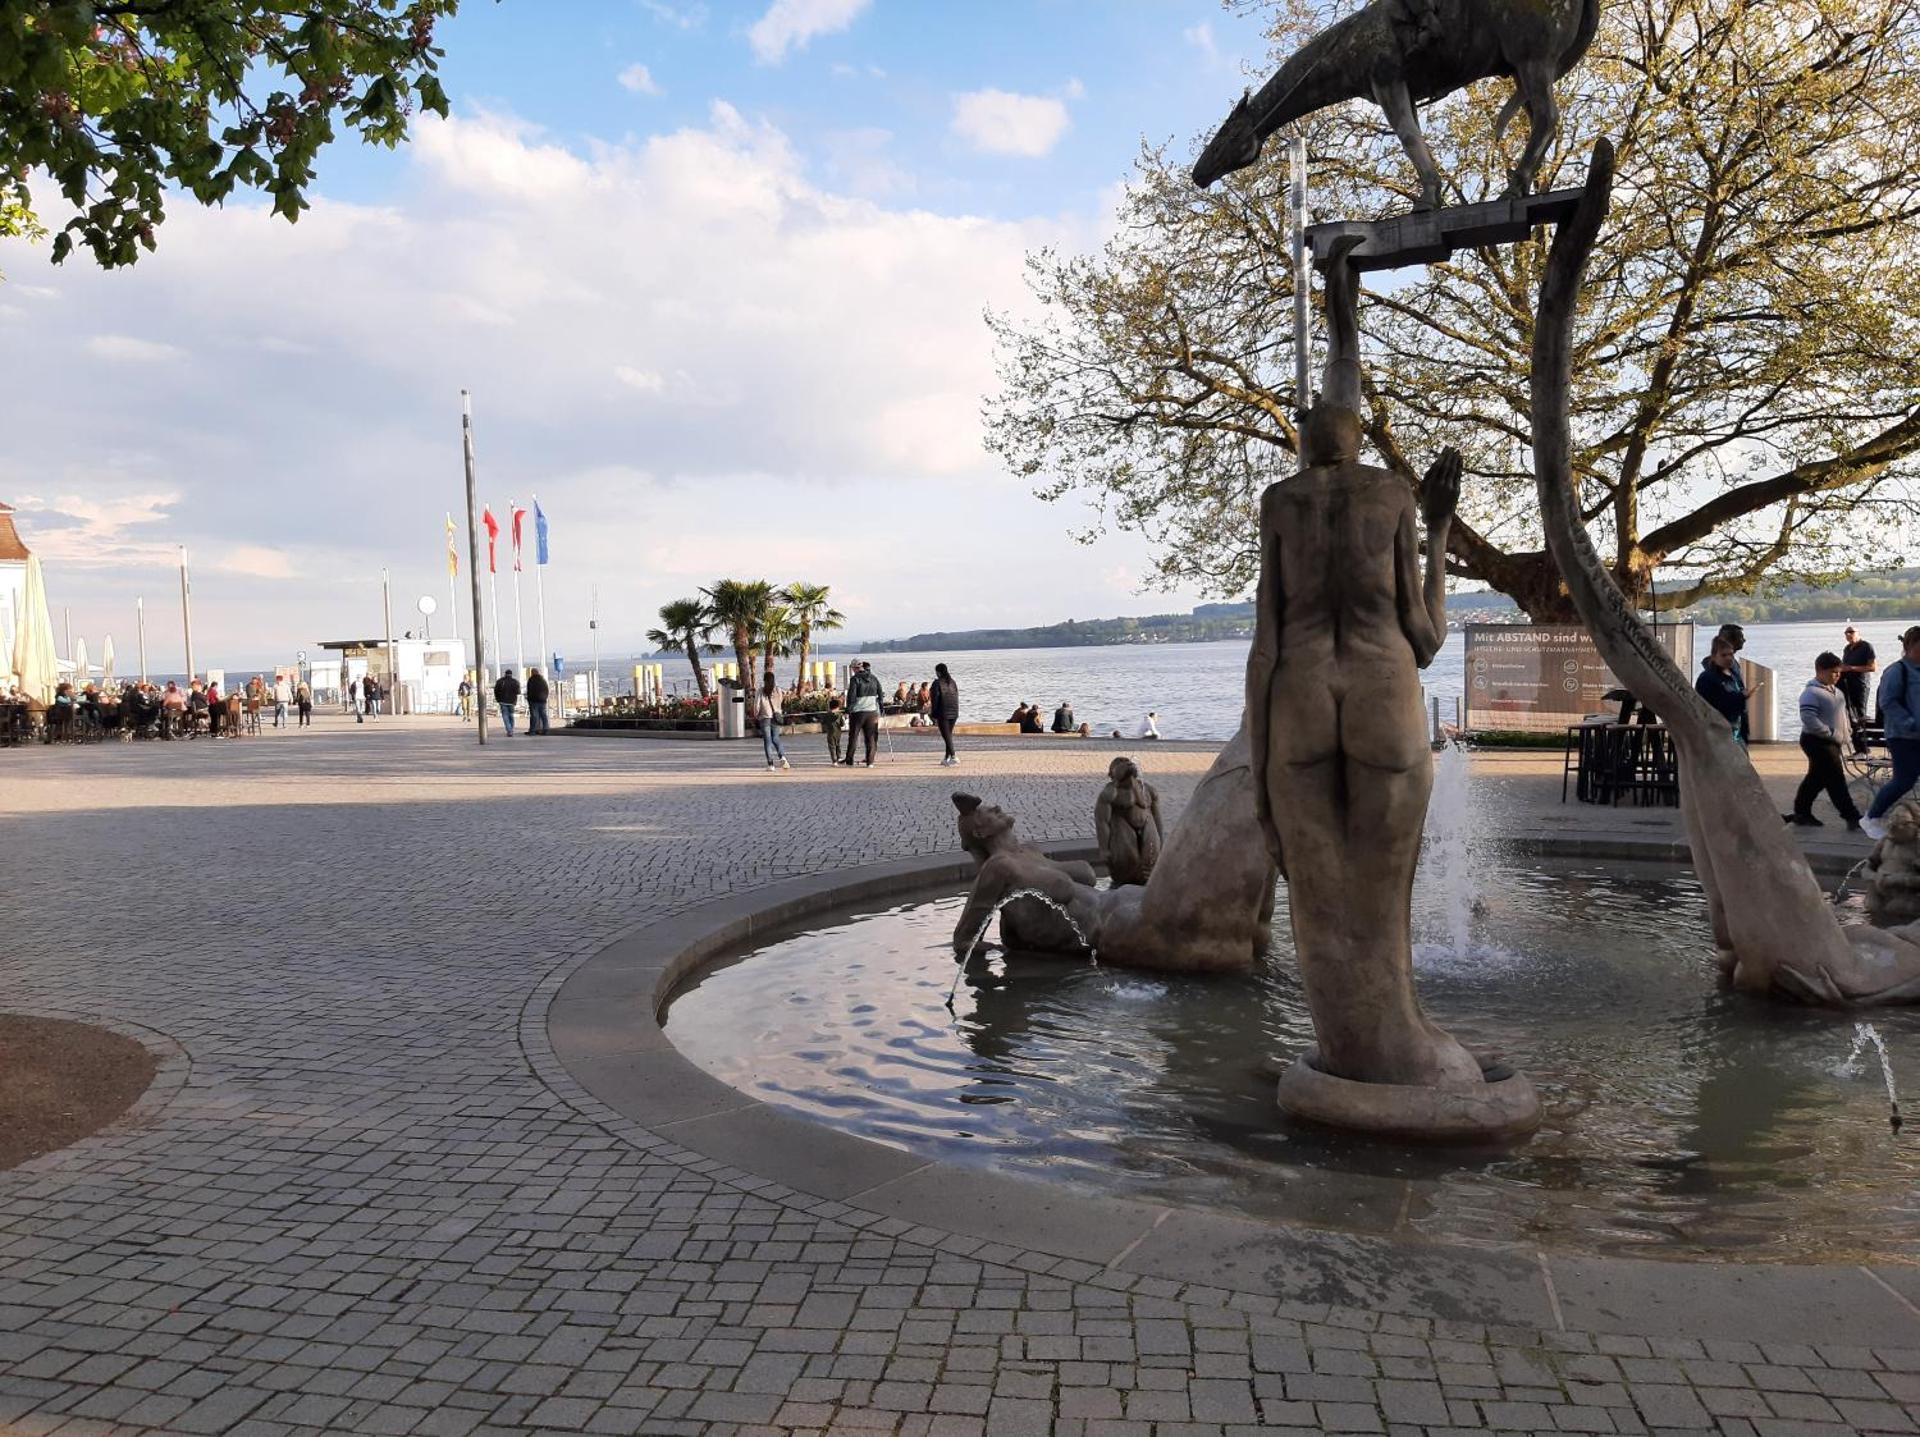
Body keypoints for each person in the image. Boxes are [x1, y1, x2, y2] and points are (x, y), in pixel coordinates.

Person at [1787, 652, 1862, 831]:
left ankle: (1801, 812)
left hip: (1832, 741)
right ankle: (1852, 816)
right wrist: (1832, 733)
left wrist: (1847, 733)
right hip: (1816, 741)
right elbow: (1809, 719)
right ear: (1820, 670)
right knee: (1835, 778)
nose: (1837, 675)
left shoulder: (1838, 692)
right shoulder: (1811, 693)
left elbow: (1842, 716)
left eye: (1838, 672)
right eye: (1832, 672)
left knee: (1817, 778)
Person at [1864, 626, 1920, 839]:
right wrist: (1909, 721)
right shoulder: (1897, 671)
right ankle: (1871, 817)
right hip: (1902, 735)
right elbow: (1887, 701)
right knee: (1904, 780)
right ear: (1909, 647)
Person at [1695, 637, 1746, 738]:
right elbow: (1707, 706)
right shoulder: (1706, 678)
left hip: (1734, 730)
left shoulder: (1732, 675)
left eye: (1731, 654)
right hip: (1717, 732)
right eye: (1724, 655)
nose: (1728, 658)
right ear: (1714, 657)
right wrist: (1739, 697)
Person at [1841, 626, 1877, 749]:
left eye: (1851, 632)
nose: (1849, 635)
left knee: (1861, 715)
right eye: (1846, 633)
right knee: (1851, 715)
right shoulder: (1847, 649)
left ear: (1858, 633)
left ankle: (1864, 747)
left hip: (1861, 685)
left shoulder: (1866, 646)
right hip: (1848, 685)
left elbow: (1872, 667)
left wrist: (1851, 668)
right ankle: (1858, 745)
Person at [842, 660, 883, 766]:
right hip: (872, 712)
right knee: (871, 737)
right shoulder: (874, 678)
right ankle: (870, 762)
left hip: (858, 712)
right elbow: (880, 693)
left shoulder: (855, 679)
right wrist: (881, 708)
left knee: (854, 737)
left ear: (854, 668)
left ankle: (849, 760)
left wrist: (848, 710)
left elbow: (851, 696)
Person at [757, 674, 791, 771]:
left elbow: (756, 705)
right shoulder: (778, 690)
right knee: (775, 738)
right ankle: (782, 757)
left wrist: (756, 715)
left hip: (765, 717)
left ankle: (771, 764)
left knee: (767, 741)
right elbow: (780, 702)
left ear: (764, 680)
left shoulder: (760, 691)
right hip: (776, 717)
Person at [929, 662, 960, 767]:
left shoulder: (937, 683)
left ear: (938, 672)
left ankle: (954, 756)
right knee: (948, 735)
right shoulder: (952, 682)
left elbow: (935, 699)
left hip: (943, 713)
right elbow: (956, 697)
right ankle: (946, 758)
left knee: (946, 736)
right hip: (954, 712)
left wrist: (933, 713)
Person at [494, 668, 520, 736]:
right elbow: (518, 692)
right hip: (512, 702)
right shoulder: (515, 682)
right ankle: (511, 729)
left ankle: (509, 730)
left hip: (502, 701)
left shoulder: (500, 681)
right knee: (511, 715)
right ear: (511, 674)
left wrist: (498, 699)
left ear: (505, 674)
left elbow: (496, 691)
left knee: (505, 716)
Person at [525, 667, 551, 736]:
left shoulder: (531, 680)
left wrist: (529, 699)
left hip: (534, 701)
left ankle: (533, 731)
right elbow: (547, 690)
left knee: (534, 716)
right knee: (543, 715)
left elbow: (529, 691)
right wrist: (545, 698)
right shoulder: (543, 680)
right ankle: (546, 729)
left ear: (532, 673)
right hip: (542, 700)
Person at [822, 696, 846, 764]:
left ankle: (834, 760)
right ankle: (839, 757)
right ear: (838, 707)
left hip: (830, 733)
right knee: (838, 745)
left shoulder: (827, 715)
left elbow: (823, 722)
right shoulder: (839, 715)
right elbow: (842, 724)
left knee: (832, 747)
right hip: (838, 733)